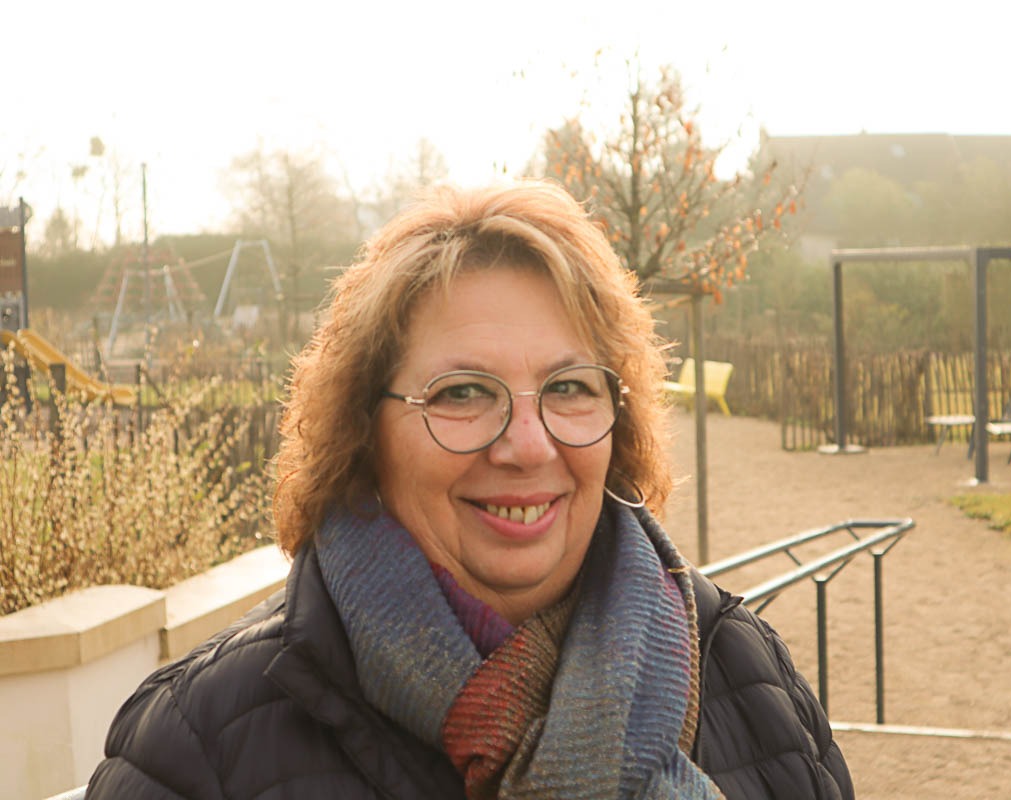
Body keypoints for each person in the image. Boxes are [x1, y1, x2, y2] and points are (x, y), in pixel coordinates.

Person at [86, 181, 854, 799]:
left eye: (569, 387)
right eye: (461, 393)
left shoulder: (748, 675)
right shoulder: (197, 747)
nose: (528, 445)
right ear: (365, 432)